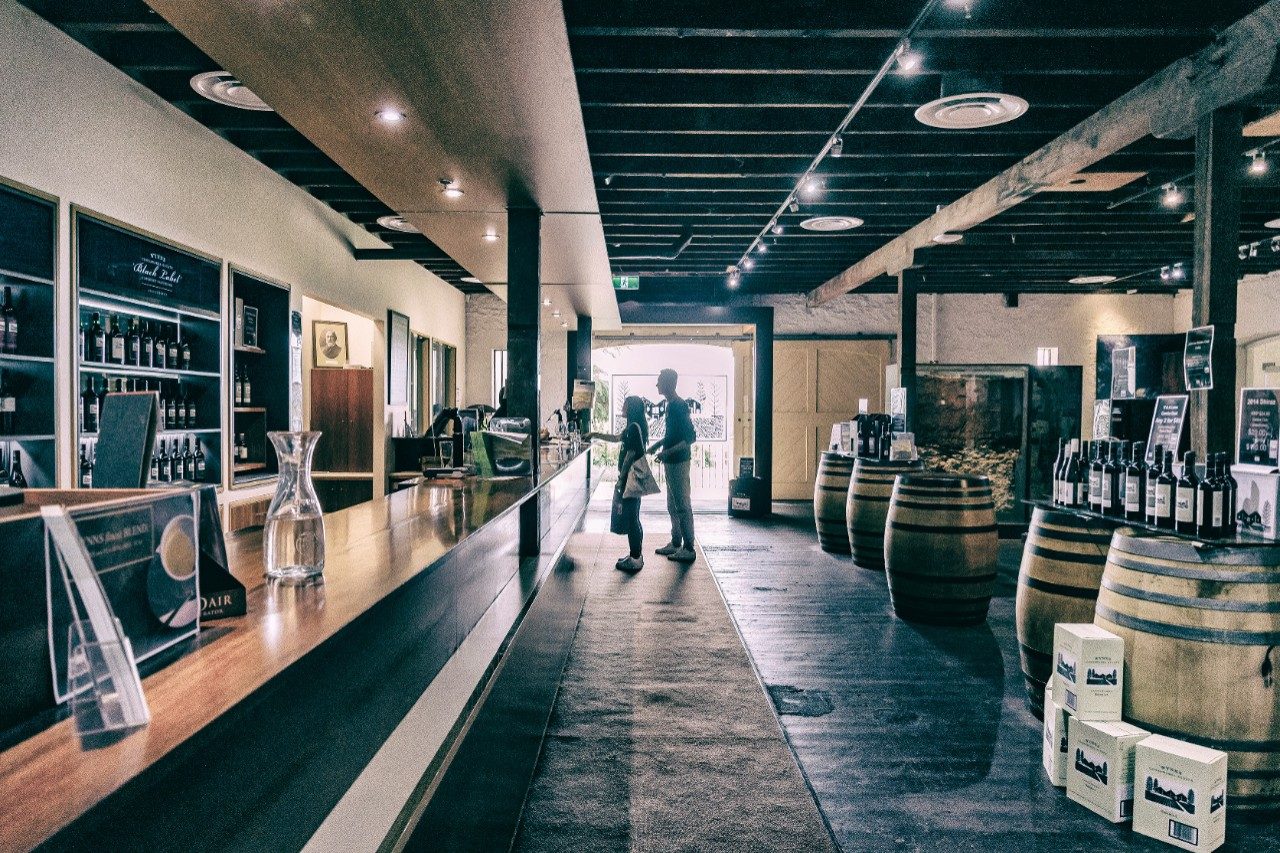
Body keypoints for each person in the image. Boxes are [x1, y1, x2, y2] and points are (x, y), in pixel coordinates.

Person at [587, 395, 650, 572]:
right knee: (634, 516)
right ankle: (635, 555)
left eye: (626, 404)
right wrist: (595, 434)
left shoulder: (633, 428)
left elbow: (630, 454)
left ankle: (636, 558)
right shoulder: (633, 427)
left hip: (630, 478)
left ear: (631, 408)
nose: (622, 407)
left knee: (631, 518)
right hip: (633, 479)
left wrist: (621, 478)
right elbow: (615, 438)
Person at [648, 368, 696, 563]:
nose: (657, 384)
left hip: (679, 462)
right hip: (671, 462)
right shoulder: (671, 406)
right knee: (672, 505)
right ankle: (676, 543)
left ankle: (689, 548)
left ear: (668, 384)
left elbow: (690, 437)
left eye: (659, 381)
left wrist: (666, 452)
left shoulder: (679, 406)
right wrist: (658, 445)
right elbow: (672, 436)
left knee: (682, 504)